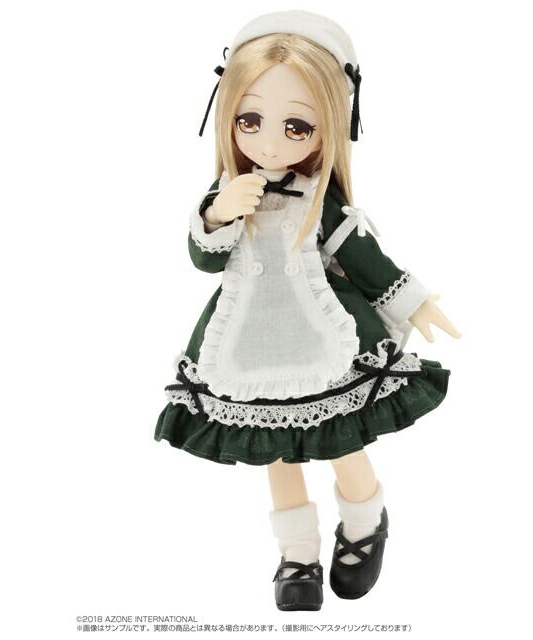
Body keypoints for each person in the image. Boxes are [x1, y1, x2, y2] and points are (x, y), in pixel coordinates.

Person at [154, 10, 460, 611]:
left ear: (329, 127)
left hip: (323, 336)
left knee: (339, 438)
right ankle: (297, 553)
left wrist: (414, 301)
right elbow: (204, 258)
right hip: (248, 341)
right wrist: (220, 212)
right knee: (271, 446)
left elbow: (363, 256)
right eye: (249, 120)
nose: (269, 143)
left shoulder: (321, 199)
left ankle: (365, 523)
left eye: (296, 126)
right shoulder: (227, 193)